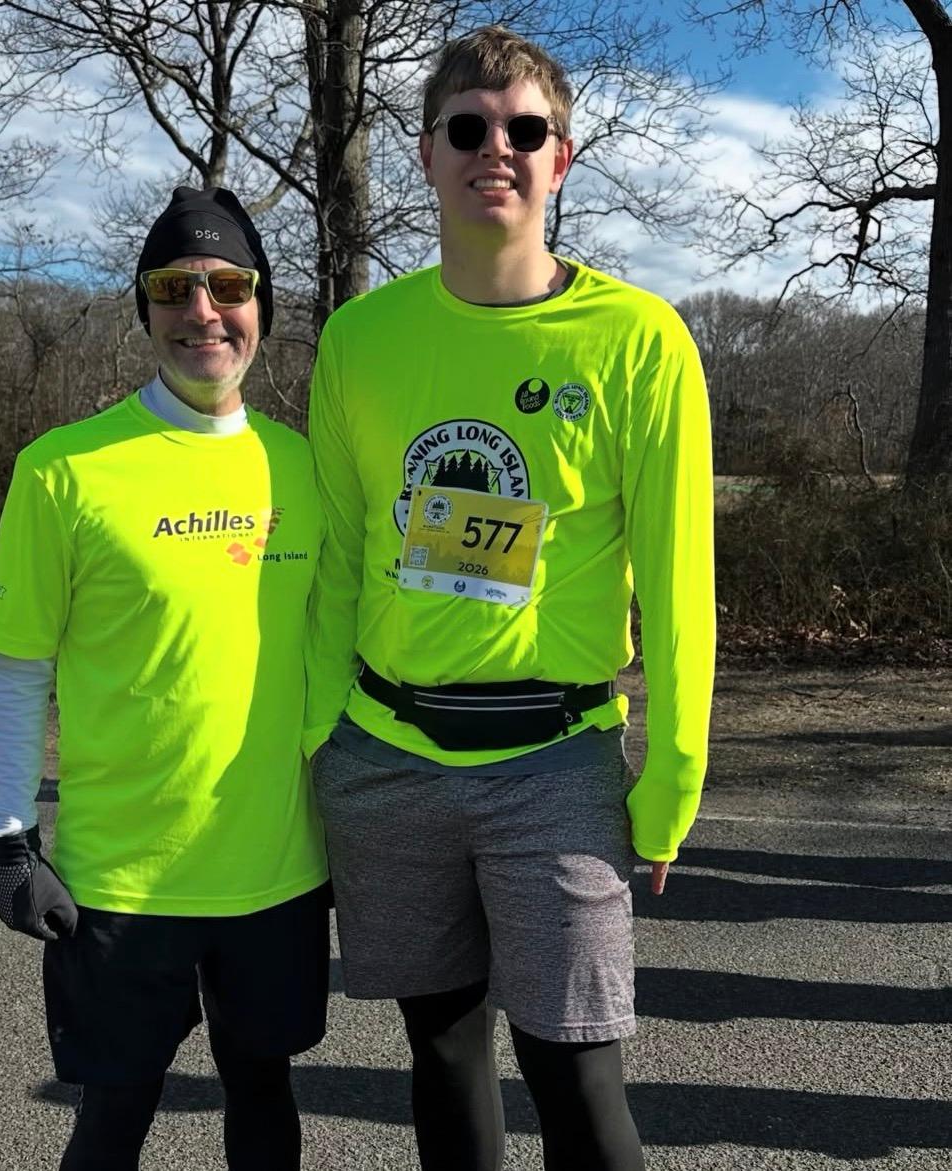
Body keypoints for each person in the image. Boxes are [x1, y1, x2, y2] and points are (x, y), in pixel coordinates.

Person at [304, 25, 715, 1171]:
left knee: (576, 1071)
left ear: (561, 159)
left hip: (557, 760)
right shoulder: (361, 338)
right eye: (469, 128)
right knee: (439, 1055)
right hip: (385, 753)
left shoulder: (638, 341)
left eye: (525, 130)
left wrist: (672, 778)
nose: (499, 149)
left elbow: (685, 587)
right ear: (427, 154)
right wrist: (316, 736)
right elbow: (340, 557)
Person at [0, 187, 329, 1171]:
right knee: (115, 1113)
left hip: (278, 873)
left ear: (263, 304)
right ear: (144, 308)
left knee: (265, 1091)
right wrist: (10, 837)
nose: (203, 311)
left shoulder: (306, 470)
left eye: (229, 285)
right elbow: (12, 665)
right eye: (174, 288)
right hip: (122, 882)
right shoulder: (65, 471)